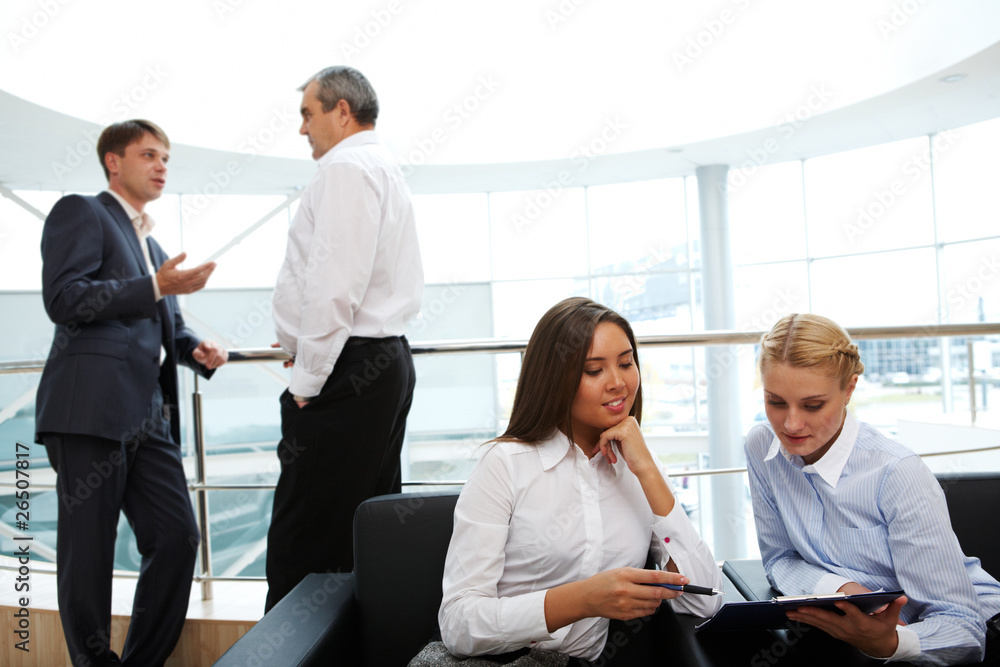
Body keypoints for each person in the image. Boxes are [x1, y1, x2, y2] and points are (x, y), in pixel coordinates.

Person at [35, 119, 229, 666]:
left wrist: (196, 348)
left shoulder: (152, 243)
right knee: (88, 554)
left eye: (166, 157)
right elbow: (64, 299)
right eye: (149, 154)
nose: (161, 165)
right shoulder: (82, 211)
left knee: (177, 537)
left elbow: (167, 326)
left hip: (149, 415)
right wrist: (155, 285)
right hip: (89, 410)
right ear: (113, 162)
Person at [437, 297, 724, 664]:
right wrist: (583, 599)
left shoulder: (640, 469)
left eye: (626, 363)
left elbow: (706, 601)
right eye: (594, 370)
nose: (618, 383)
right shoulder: (505, 464)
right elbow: (459, 624)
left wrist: (649, 471)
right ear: (555, 379)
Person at [746, 313, 1000, 665]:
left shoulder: (897, 472)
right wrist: (839, 589)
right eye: (775, 402)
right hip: (854, 633)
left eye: (813, 405)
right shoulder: (762, 446)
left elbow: (964, 628)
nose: (791, 424)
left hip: (955, 636)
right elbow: (779, 559)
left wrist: (890, 643)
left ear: (849, 390)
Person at [265, 65, 423, 611]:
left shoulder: (346, 167)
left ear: (341, 110)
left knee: (304, 539)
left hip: (348, 372)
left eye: (307, 114)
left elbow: (335, 285)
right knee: (363, 527)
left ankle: (291, 649)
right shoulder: (381, 166)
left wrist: (307, 380)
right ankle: (360, 643)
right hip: (379, 363)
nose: (302, 128)